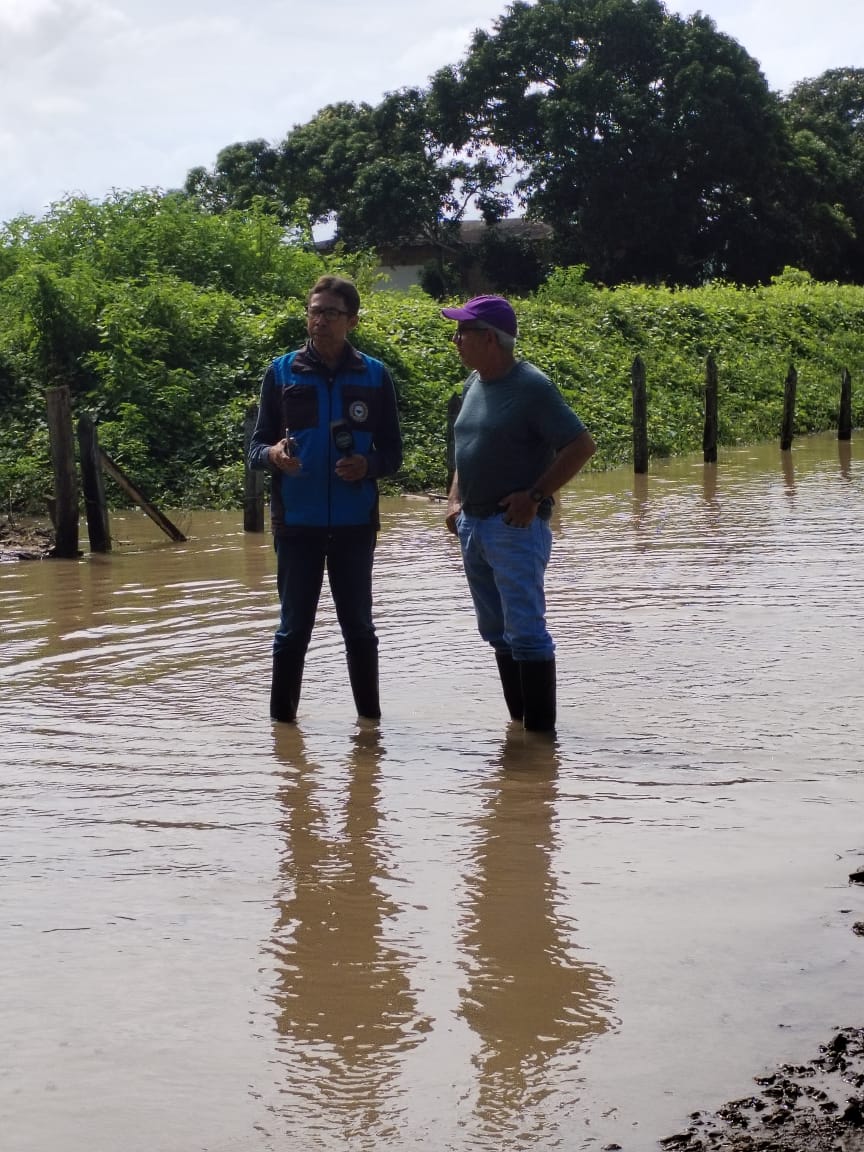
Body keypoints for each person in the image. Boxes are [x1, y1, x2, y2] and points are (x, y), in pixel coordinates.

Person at [249, 275, 403, 723]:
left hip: (355, 525)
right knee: (292, 631)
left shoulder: (375, 375)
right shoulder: (281, 372)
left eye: (331, 313)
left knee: (359, 630)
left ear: (351, 320)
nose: (320, 321)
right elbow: (255, 448)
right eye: (314, 312)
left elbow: (393, 453)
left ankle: (370, 731)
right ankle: (282, 733)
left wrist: (367, 465)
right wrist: (274, 455)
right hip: (297, 525)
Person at [442, 294, 596, 732]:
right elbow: (466, 447)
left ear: (490, 339)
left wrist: (534, 495)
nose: (456, 340)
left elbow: (581, 446)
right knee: (496, 631)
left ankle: (541, 745)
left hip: (514, 527)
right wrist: (454, 500)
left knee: (526, 633)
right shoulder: (474, 384)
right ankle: (519, 734)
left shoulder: (531, 387)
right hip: (473, 526)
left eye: (463, 332)